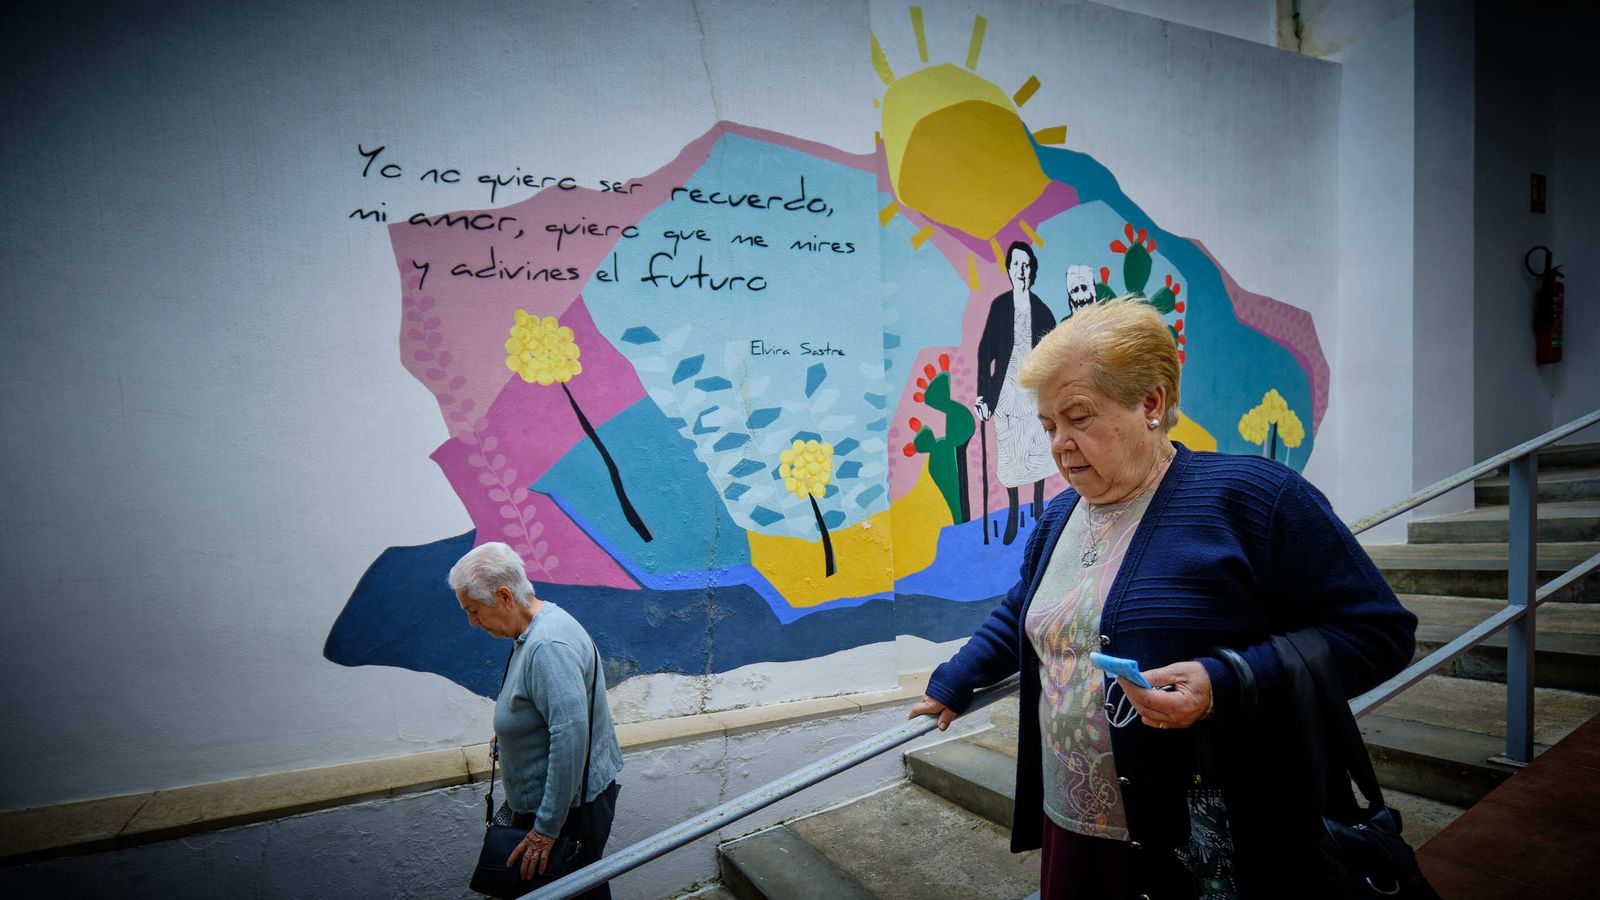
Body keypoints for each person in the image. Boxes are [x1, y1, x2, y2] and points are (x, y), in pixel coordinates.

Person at [911, 297, 1417, 898]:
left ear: (1150, 403)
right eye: (1049, 426)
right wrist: (956, 678)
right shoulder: (1059, 517)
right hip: (1072, 816)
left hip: (1211, 833)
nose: (1060, 445)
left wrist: (1222, 683)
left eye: (1078, 417)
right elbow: (1027, 609)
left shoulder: (1255, 498)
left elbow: (1380, 633)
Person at [450, 542, 624, 899]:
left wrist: (545, 829)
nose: (471, 622)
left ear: (503, 596)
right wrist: (511, 737)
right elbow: (548, 715)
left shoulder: (547, 647)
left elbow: (570, 738)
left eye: (474, 610)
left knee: (572, 891)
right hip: (564, 805)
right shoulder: (543, 624)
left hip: (565, 813)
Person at [976, 240, 1058, 545]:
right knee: (1010, 449)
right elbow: (985, 353)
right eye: (1016, 265)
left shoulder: (1043, 311)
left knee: (1036, 445)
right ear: (1009, 270)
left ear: (1032, 271)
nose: (1021, 271)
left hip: (1033, 392)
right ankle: (1012, 512)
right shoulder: (999, 307)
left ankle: (1037, 507)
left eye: (1026, 266)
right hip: (1005, 389)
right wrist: (983, 396)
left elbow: (1052, 359)